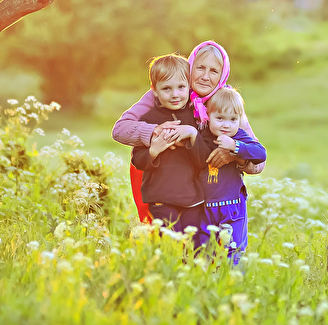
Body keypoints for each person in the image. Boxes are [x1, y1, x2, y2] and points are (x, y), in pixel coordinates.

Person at [112, 41, 265, 223]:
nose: (205, 77)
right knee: (166, 234)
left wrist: (234, 155)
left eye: (214, 71)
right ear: (190, 67)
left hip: (213, 195)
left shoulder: (226, 102)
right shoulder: (171, 90)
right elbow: (120, 129)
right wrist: (155, 130)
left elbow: (258, 164)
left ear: (222, 74)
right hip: (166, 185)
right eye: (200, 68)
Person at [130, 54, 204, 238]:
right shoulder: (148, 121)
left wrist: (193, 135)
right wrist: (153, 151)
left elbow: (204, 160)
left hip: (194, 199)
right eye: (166, 89)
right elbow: (137, 160)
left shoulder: (197, 118)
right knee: (171, 244)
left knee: (195, 247)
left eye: (181, 87)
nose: (175, 94)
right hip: (160, 199)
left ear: (189, 86)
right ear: (154, 91)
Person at [200, 87, 266, 264]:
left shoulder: (238, 136)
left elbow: (261, 154)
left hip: (233, 206)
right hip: (204, 208)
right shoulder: (203, 136)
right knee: (205, 251)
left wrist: (235, 147)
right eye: (220, 118)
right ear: (208, 116)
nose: (226, 125)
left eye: (233, 119)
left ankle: (234, 277)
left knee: (233, 249)